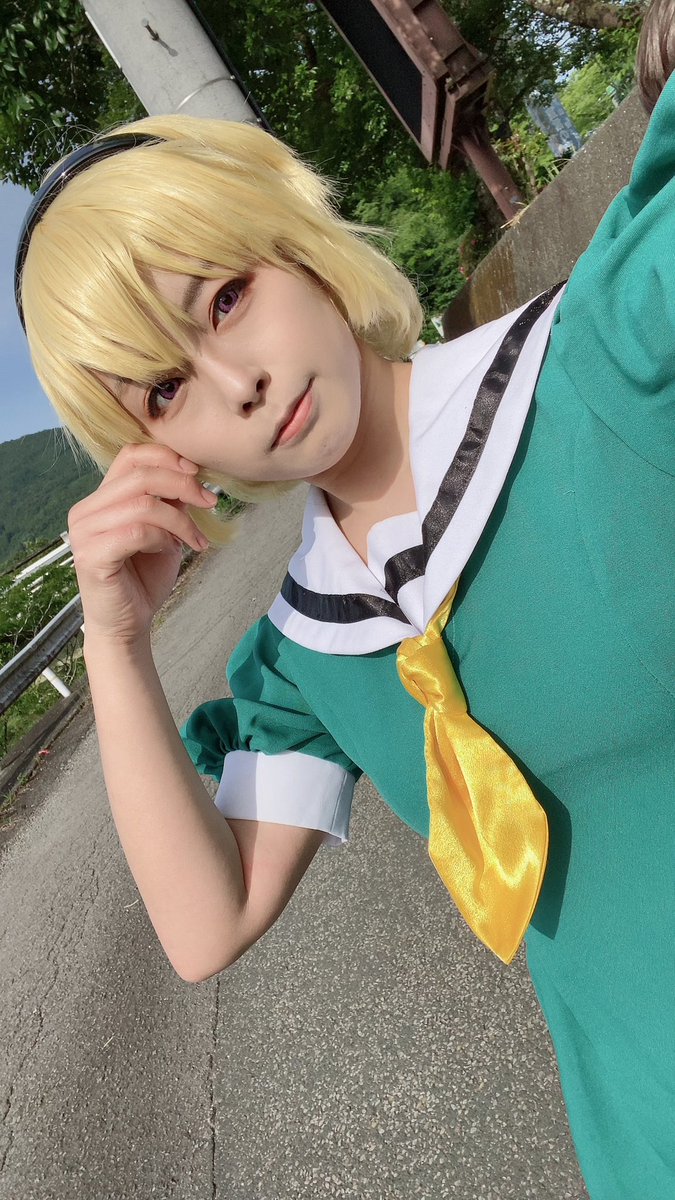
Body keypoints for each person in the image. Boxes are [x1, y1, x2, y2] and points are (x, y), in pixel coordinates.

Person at [14, 3, 674, 1195]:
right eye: (163, 392)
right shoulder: (312, 657)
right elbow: (206, 927)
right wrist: (113, 639)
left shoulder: (615, 355)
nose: (237, 383)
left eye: (226, 297)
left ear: (295, 243)